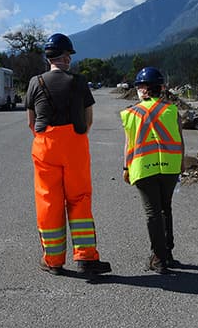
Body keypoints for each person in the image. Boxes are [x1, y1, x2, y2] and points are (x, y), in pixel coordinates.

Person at [25, 33, 112, 276]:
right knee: (79, 199)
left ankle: (52, 260)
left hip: (44, 145)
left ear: (48, 58)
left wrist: (47, 139)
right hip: (75, 144)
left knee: (48, 201)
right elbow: (88, 119)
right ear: (66, 57)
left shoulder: (35, 82)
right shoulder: (79, 81)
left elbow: (31, 122)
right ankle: (85, 258)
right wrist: (74, 138)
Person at [120, 66, 185, 274]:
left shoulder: (132, 113)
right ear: (161, 88)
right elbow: (180, 139)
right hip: (170, 167)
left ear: (144, 89)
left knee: (152, 213)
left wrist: (125, 167)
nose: (138, 90)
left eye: (139, 86)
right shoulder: (172, 110)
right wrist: (181, 163)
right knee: (166, 208)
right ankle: (167, 253)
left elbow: (128, 144)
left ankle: (158, 258)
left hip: (144, 167)